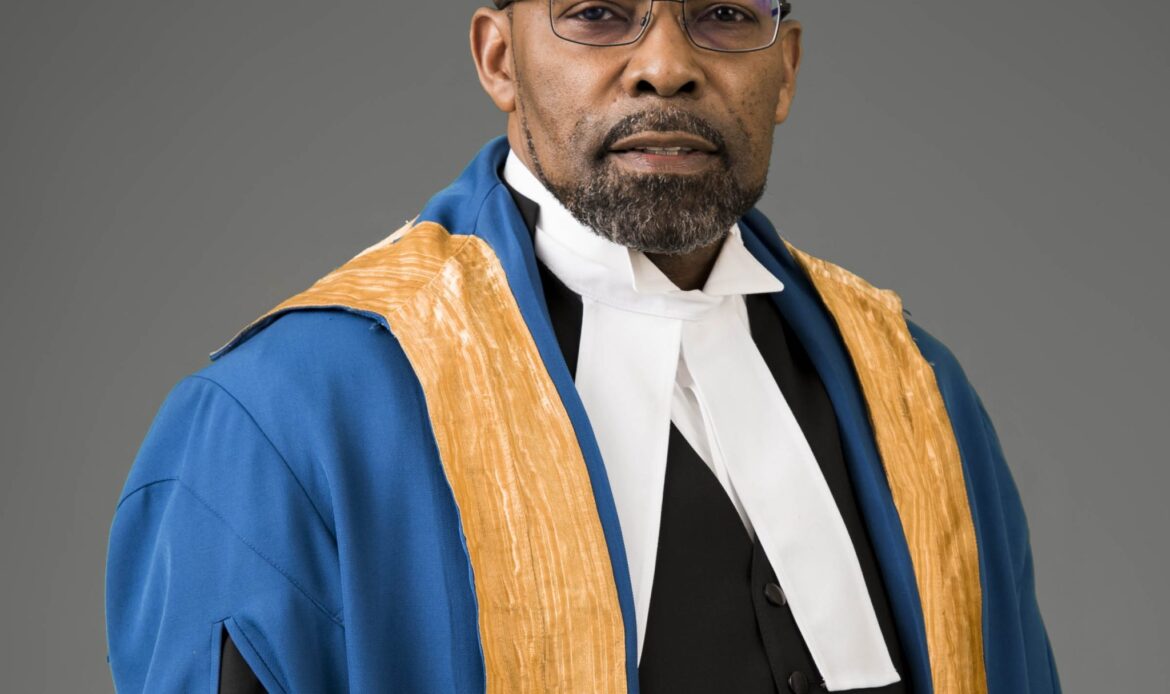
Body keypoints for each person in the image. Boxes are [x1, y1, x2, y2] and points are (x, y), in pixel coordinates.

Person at [104, 1, 1061, 692]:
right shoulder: (284, 419)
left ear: (788, 68)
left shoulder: (916, 393)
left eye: (725, 15)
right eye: (599, 14)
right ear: (499, 59)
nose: (666, 65)